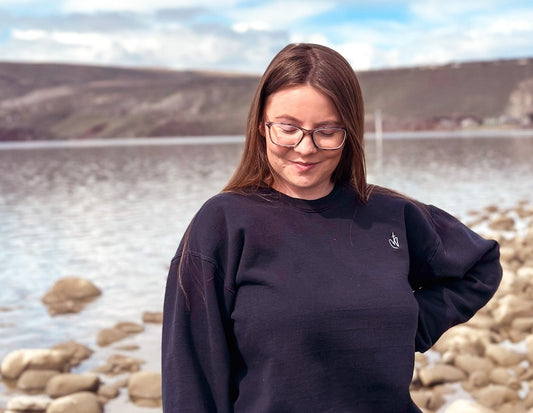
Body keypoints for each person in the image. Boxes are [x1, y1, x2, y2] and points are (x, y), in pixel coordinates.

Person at [162, 43, 502, 412]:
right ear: (262, 126)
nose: (305, 148)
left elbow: (479, 267)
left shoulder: (390, 215)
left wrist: (409, 325)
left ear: (350, 132)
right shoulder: (224, 224)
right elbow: (190, 377)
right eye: (288, 128)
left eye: (326, 131)